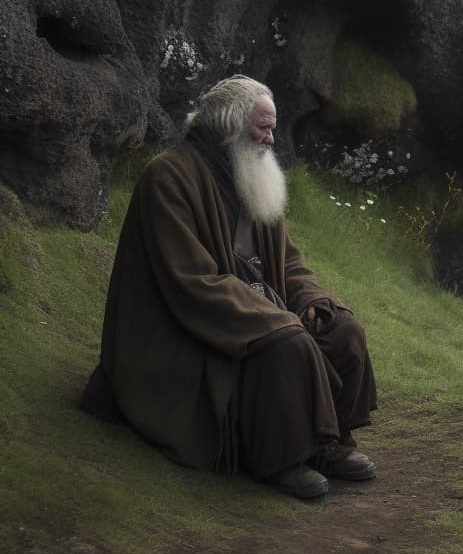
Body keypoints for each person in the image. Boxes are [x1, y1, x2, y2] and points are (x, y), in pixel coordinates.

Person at [83, 75, 378, 499]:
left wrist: (312, 299)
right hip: (188, 328)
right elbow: (192, 281)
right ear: (229, 123)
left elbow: (287, 262)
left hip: (253, 308)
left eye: (272, 127)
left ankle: (328, 445)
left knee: (342, 329)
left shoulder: (253, 176)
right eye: (263, 127)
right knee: (287, 342)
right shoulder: (167, 176)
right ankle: (283, 458)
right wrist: (272, 317)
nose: (271, 138)